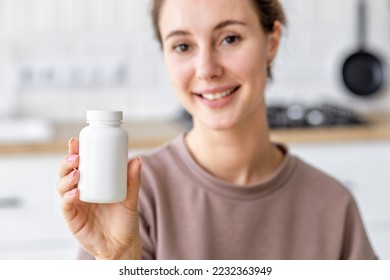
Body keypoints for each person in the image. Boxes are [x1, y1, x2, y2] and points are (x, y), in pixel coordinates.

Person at [57, 0, 377, 260]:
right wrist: (120, 258)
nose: (207, 69)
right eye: (182, 46)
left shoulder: (333, 205)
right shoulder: (133, 196)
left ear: (272, 42)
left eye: (230, 38)